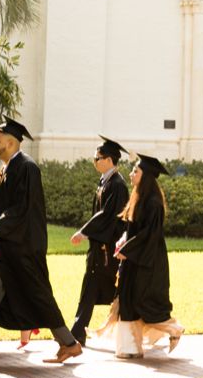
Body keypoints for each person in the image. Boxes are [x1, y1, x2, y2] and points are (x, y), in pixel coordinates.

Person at [0, 118, 81, 366]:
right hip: (7, 248)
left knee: (39, 296)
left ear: (10, 142)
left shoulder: (27, 168)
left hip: (24, 248)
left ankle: (70, 344)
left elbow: (21, 208)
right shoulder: (6, 170)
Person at [112, 153, 181, 358]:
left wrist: (127, 250)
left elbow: (148, 236)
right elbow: (133, 229)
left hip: (148, 260)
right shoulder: (138, 197)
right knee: (128, 300)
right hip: (135, 258)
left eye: (136, 171)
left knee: (144, 303)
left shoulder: (153, 203)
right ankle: (130, 348)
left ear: (147, 176)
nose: (131, 174)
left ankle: (174, 329)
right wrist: (123, 240)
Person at [67, 138, 129, 345]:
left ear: (109, 160)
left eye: (98, 158)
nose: (94, 161)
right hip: (100, 246)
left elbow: (107, 216)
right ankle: (77, 332)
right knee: (91, 288)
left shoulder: (117, 185)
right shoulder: (105, 182)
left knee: (121, 293)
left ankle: (148, 325)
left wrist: (83, 232)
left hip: (109, 248)